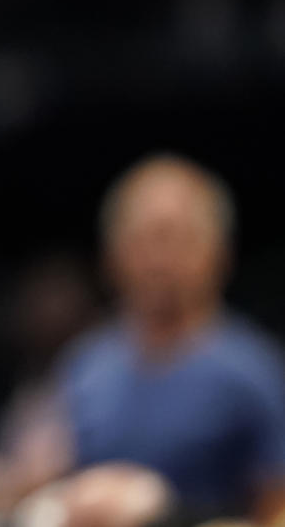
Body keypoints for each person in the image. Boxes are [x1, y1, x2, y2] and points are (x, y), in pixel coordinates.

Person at [32, 154, 285, 523]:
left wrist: (171, 514)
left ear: (219, 253)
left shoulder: (253, 371)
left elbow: (276, 508)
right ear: (111, 255)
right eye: (141, 240)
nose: (157, 259)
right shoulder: (85, 366)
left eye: (173, 238)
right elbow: (46, 474)